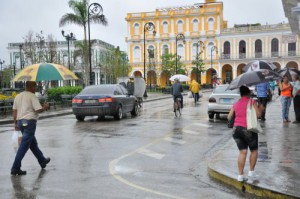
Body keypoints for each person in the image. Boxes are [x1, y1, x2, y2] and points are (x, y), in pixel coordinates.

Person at [11, 81, 50, 176]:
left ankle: (42, 160)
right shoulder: (32, 96)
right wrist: (45, 107)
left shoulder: (18, 96)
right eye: (35, 86)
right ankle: (15, 168)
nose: (36, 88)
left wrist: (15, 123)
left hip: (20, 122)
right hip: (29, 123)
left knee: (32, 143)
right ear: (31, 87)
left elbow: (14, 111)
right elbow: (38, 109)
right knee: (24, 146)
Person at [227, 86, 264, 182]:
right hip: (248, 129)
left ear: (240, 94)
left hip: (236, 130)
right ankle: (251, 172)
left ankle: (240, 175)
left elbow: (229, 117)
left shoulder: (236, 103)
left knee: (242, 152)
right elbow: (258, 115)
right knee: (254, 150)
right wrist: (261, 107)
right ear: (248, 93)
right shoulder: (252, 102)